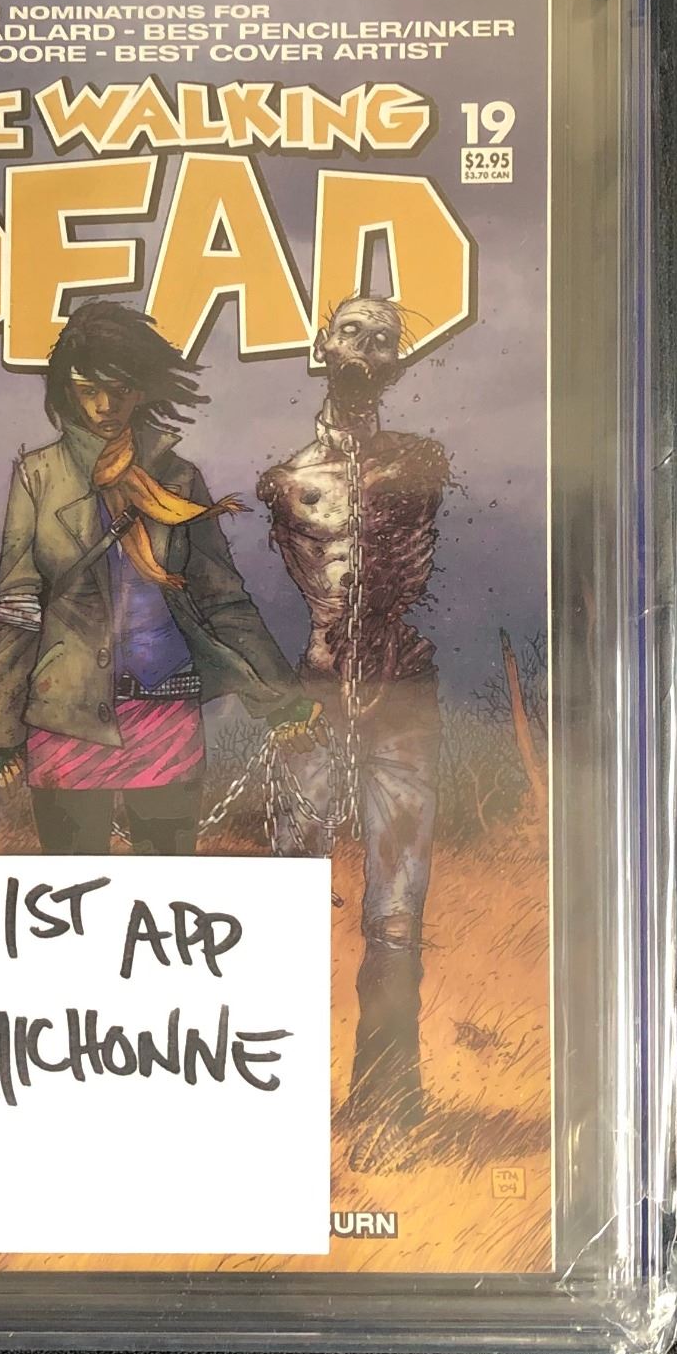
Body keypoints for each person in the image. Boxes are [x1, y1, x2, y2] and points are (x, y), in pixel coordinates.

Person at [0, 301, 314, 854]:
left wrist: (280, 699)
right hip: (66, 712)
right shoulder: (38, 475)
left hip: (165, 705)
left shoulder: (179, 477)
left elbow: (222, 598)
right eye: (88, 389)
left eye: (121, 388)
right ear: (66, 391)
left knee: (166, 883)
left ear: (143, 389)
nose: (105, 406)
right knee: (69, 884)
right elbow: (19, 606)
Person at [257, 297, 451, 1146]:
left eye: (384, 339)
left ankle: (388, 1104)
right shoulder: (286, 480)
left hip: (403, 693)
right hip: (317, 693)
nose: (368, 348)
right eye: (353, 332)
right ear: (321, 345)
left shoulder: (419, 462)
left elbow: (398, 556)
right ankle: (277, 1099)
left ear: (397, 364)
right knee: (289, 895)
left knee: (398, 910)